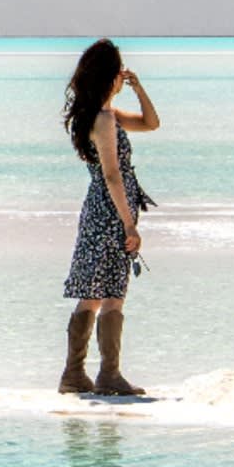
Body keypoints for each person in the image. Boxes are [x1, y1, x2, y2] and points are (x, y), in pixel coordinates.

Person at [58, 39, 158, 396]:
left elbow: (151, 123)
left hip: (100, 209)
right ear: (108, 75)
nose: (122, 76)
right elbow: (112, 174)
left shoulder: (103, 115)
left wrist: (139, 88)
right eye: (119, 70)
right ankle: (106, 375)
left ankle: (76, 375)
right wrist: (128, 223)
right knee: (111, 291)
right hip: (110, 212)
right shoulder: (103, 120)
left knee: (93, 291)